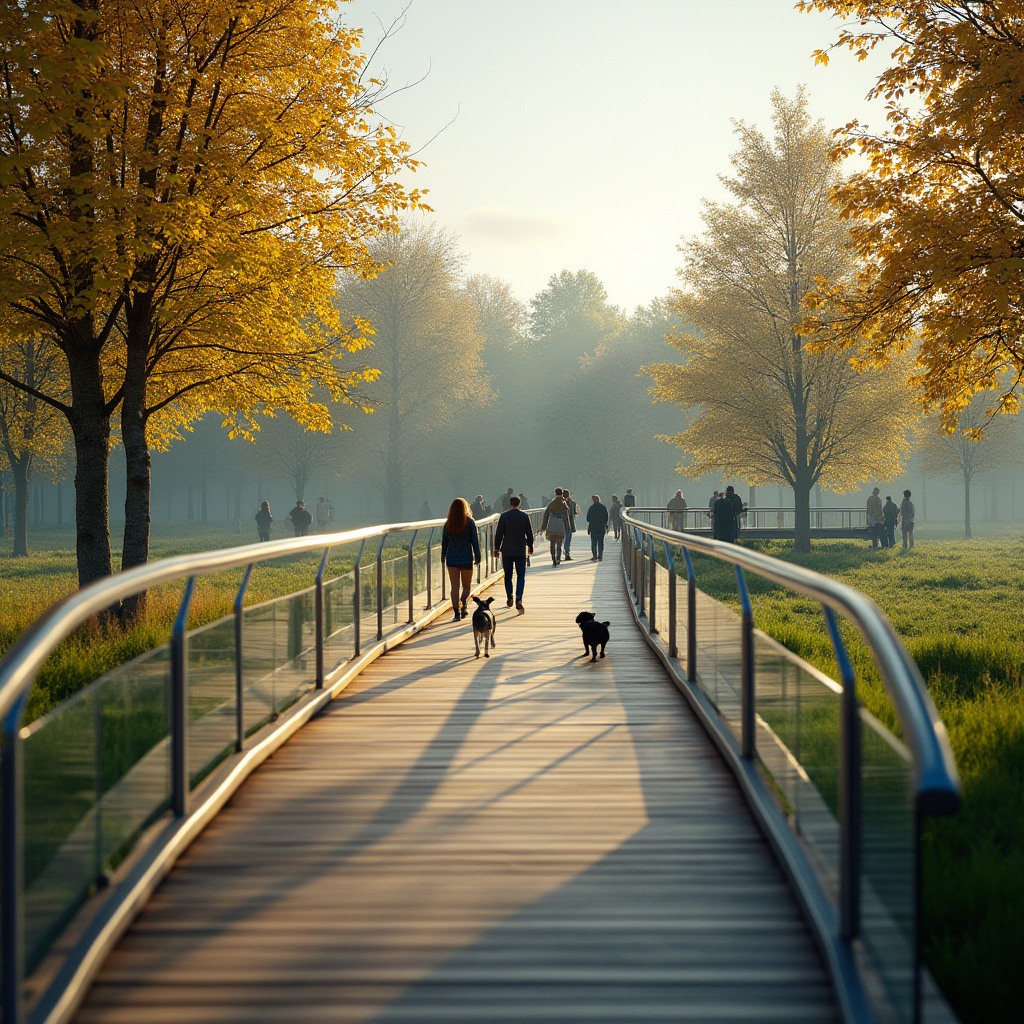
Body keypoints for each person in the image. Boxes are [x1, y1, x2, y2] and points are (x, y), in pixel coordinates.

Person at [440, 497, 481, 621]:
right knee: (466, 586)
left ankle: (456, 613)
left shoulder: (448, 524)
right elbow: (475, 542)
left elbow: (444, 542)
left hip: (451, 558)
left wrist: (443, 555)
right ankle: (463, 602)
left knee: (454, 587)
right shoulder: (469, 523)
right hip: (466, 558)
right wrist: (478, 557)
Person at [494, 494, 534, 613]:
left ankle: (509, 596)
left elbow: (499, 534)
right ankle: (519, 597)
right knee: (521, 576)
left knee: (508, 575)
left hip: (507, 549)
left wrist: (496, 548)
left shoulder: (504, 516)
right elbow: (529, 534)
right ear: (520, 504)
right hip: (520, 549)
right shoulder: (524, 516)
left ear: (510, 504)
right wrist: (530, 546)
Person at [541, 488, 572, 565]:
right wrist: (567, 526)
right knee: (559, 542)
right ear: (562, 493)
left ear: (555, 493)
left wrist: (544, 526)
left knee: (552, 542)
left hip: (551, 524)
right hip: (560, 525)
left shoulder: (551, 504)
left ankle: (553, 558)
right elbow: (566, 517)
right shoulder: (564, 504)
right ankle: (558, 558)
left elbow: (546, 516)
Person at [586, 494, 609, 561]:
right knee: (601, 542)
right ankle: (600, 556)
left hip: (593, 528)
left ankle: (595, 556)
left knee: (594, 543)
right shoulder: (603, 507)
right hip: (601, 528)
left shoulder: (591, 508)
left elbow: (588, 519)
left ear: (593, 500)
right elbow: (606, 517)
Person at [561, 487, 579, 560]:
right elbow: (576, 512)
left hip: (561, 523)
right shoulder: (572, 503)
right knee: (568, 538)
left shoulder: (560, 502)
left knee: (561, 538)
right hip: (569, 523)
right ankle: (567, 552)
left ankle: (560, 553)